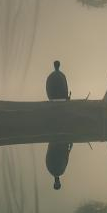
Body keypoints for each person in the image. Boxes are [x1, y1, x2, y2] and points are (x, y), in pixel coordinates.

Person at [45, 60, 72, 190]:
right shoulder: (62, 76)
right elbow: (65, 156)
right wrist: (67, 99)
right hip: (61, 101)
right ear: (59, 66)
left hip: (51, 101)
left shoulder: (50, 77)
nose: (57, 182)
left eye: (57, 184)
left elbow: (54, 156)